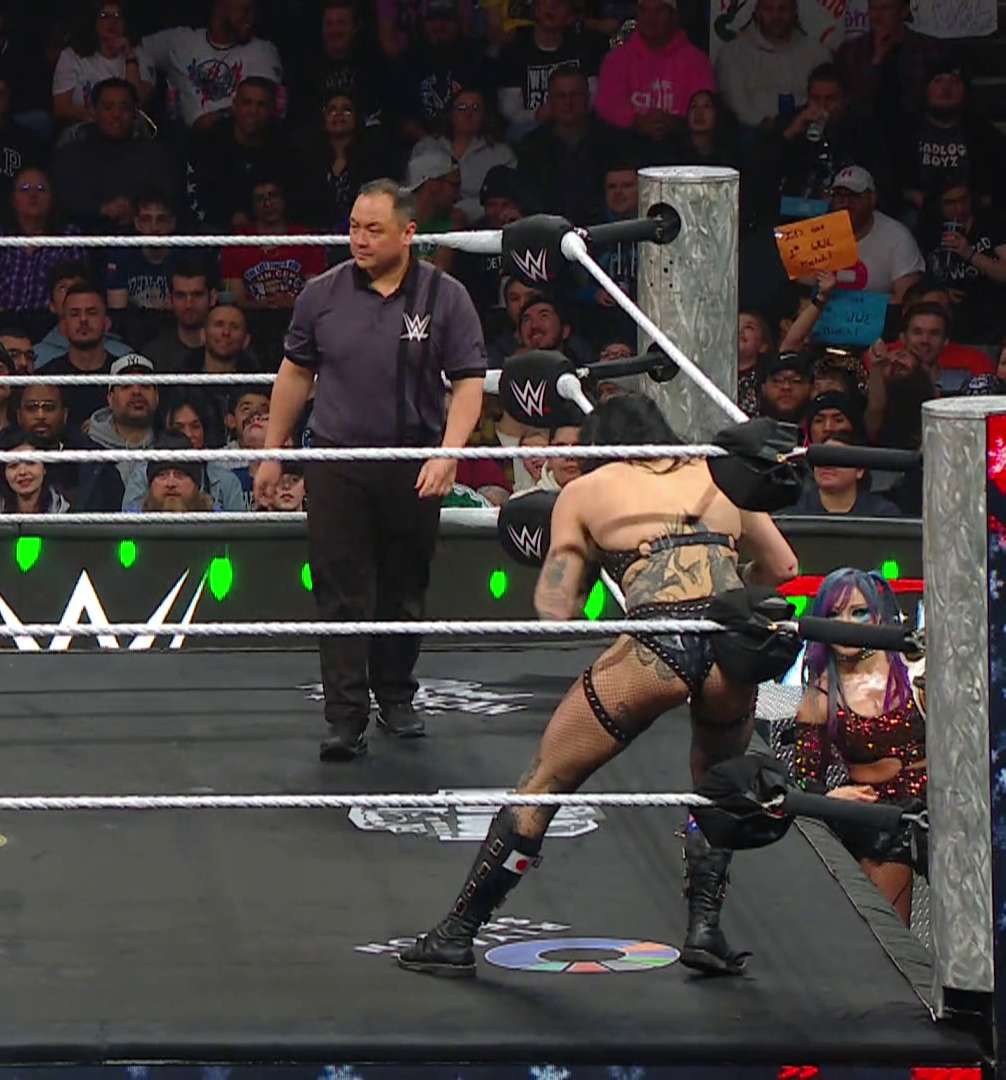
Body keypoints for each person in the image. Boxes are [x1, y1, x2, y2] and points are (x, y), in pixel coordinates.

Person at [397, 394, 800, 978]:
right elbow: (783, 567)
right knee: (716, 786)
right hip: (733, 646)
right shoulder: (722, 473)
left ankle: (456, 934)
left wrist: (571, 547)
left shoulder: (587, 491)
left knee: (542, 785)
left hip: (657, 645)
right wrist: (732, 592)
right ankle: (705, 931)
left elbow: (556, 607)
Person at [254, 177, 487, 757]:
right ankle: (344, 717)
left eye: (374, 229)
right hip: (338, 460)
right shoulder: (322, 293)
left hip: (413, 460)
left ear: (409, 234)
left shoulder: (445, 296)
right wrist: (273, 450)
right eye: (355, 227)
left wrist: (449, 453)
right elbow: (295, 373)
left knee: (404, 586)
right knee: (339, 590)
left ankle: (396, 696)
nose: (359, 239)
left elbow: (468, 383)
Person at [789, 568, 925, 924]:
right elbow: (804, 782)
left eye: (858, 612)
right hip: (879, 817)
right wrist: (831, 799)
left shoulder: (914, 672)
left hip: (940, 805)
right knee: (885, 928)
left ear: (877, 617)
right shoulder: (820, 696)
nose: (845, 624)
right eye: (834, 614)